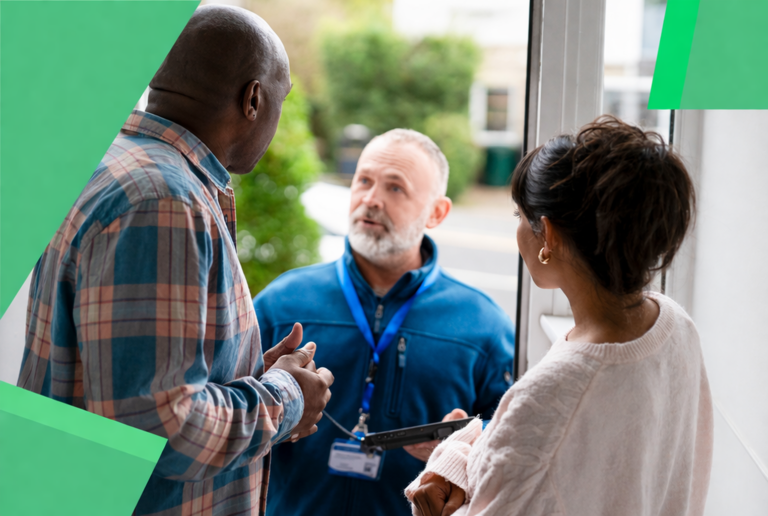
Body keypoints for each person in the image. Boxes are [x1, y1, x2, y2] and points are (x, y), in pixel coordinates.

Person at [16, 6, 334, 516]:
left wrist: (245, 374)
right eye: (283, 96)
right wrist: (285, 396)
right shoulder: (163, 201)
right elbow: (158, 429)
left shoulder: (114, 162)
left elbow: (130, 375)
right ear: (253, 99)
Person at [405, 116, 713, 516]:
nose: (518, 230)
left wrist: (444, 470)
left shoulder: (546, 398)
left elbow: (547, 439)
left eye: (519, 216)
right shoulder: (675, 326)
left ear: (547, 235)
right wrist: (470, 451)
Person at [253, 129, 516, 516]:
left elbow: (514, 445)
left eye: (395, 188)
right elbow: (220, 409)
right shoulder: (282, 303)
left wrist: (464, 448)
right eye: (363, 181)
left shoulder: (484, 326)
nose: (371, 199)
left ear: (437, 212)